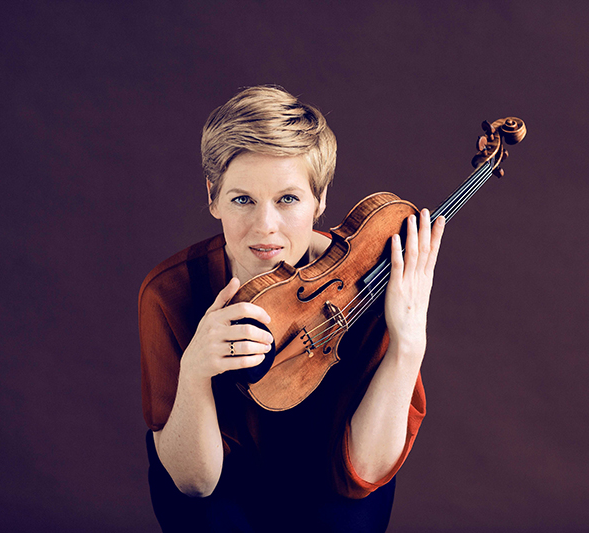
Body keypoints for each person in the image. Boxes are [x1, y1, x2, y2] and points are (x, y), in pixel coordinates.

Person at [138, 85, 445, 532]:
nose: (266, 227)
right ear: (212, 197)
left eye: (288, 199)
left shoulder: (370, 280)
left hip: (331, 474)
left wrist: (408, 344)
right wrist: (195, 373)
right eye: (243, 199)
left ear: (320, 200)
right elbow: (194, 484)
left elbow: (367, 470)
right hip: (221, 482)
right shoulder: (170, 292)